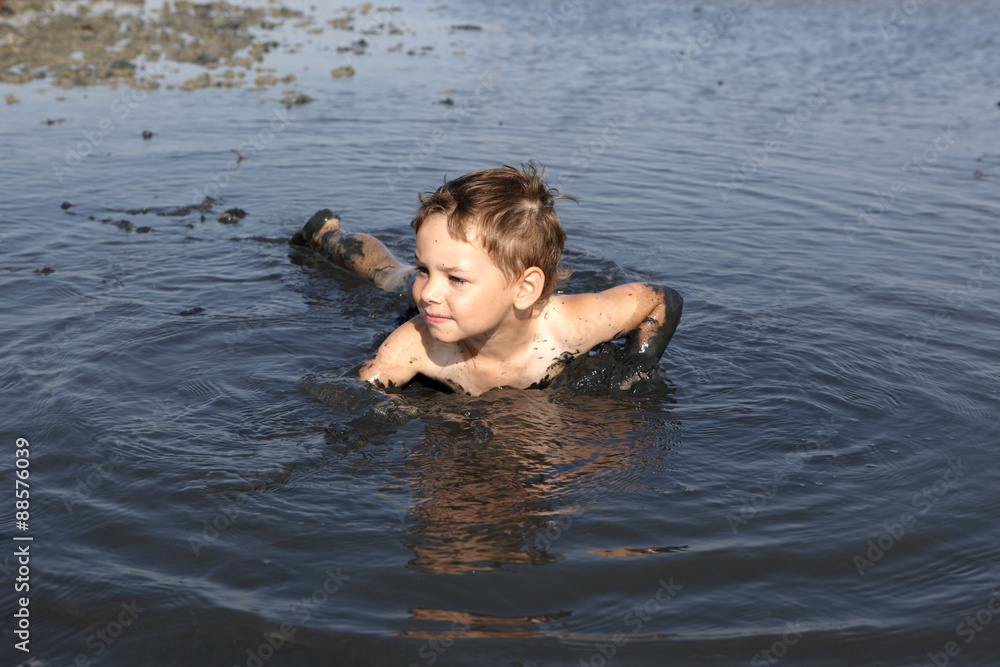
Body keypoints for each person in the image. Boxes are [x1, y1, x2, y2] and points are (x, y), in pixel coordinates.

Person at [290, 163, 682, 396]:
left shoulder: (575, 325)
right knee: (392, 276)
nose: (429, 293)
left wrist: (632, 372)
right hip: (420, 311)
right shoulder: (414, 346)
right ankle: (328, 235)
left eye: (456, 278)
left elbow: (661, 299)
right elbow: (349, 394)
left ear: (525, 288)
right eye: (426, 270)